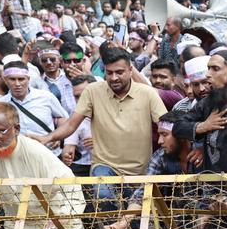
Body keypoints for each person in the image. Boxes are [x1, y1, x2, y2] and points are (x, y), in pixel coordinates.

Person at [38, 47, 167, 212]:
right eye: (109, 72)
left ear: (130, 70)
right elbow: (72, 124)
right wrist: (47, 138)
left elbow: (165, 126)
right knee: (104, 198)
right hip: (104, 165)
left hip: (139, 172)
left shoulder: (148, 93)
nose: (114, 77)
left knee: (135, 223)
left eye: (119, 72)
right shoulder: (92, 91)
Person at [172, 50, 227, 174]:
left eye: (215, 69)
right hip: (207, 187)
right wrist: (202, 127)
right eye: (208, 68)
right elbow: (178, 127)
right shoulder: (209, 102)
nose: (207, 74)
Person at [0, 61, 69, 154]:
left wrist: (56, 137)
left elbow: (62, 118)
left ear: (28, 79)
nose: (17, 84)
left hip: (49, 154)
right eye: (12, 79)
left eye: (21, 79)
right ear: (5, 80)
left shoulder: (45, 97)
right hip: (18, 156)